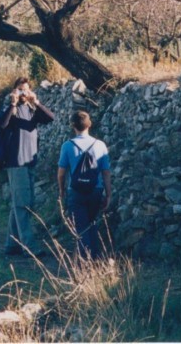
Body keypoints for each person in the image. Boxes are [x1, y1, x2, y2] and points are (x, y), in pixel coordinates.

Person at [0, 76, 55, 256]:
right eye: (20, 90)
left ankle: (11, 244)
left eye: (26, 90)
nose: (23, 93)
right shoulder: (10, 109)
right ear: (14, 91)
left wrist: (36, 102)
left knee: (23, 202)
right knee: (22, 204)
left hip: (30, 162)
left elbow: (50, 118)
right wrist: (13, 104)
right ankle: (30, 247)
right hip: (16, 163)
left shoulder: (31, 109)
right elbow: (2, 124)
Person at [57, 110, 112, 258]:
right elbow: (106, 172)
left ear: (73, 126)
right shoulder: (100, 145)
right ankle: (95, 260)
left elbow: (61, 173)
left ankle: (84, 264)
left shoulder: (67, 146)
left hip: (76, 191)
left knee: (80, 228)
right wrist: (108, 194)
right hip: (96, 190)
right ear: (90, 124)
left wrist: (62, 191)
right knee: (92, 224)